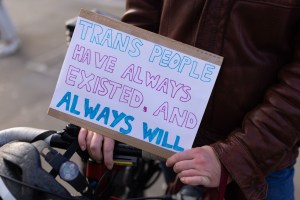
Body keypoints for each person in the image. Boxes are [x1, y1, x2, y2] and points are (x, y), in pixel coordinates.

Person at [78, 1, 300, 199]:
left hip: (257, 168)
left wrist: (236, 156)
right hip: (169, 141)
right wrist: (112, 101)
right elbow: (143, 16)